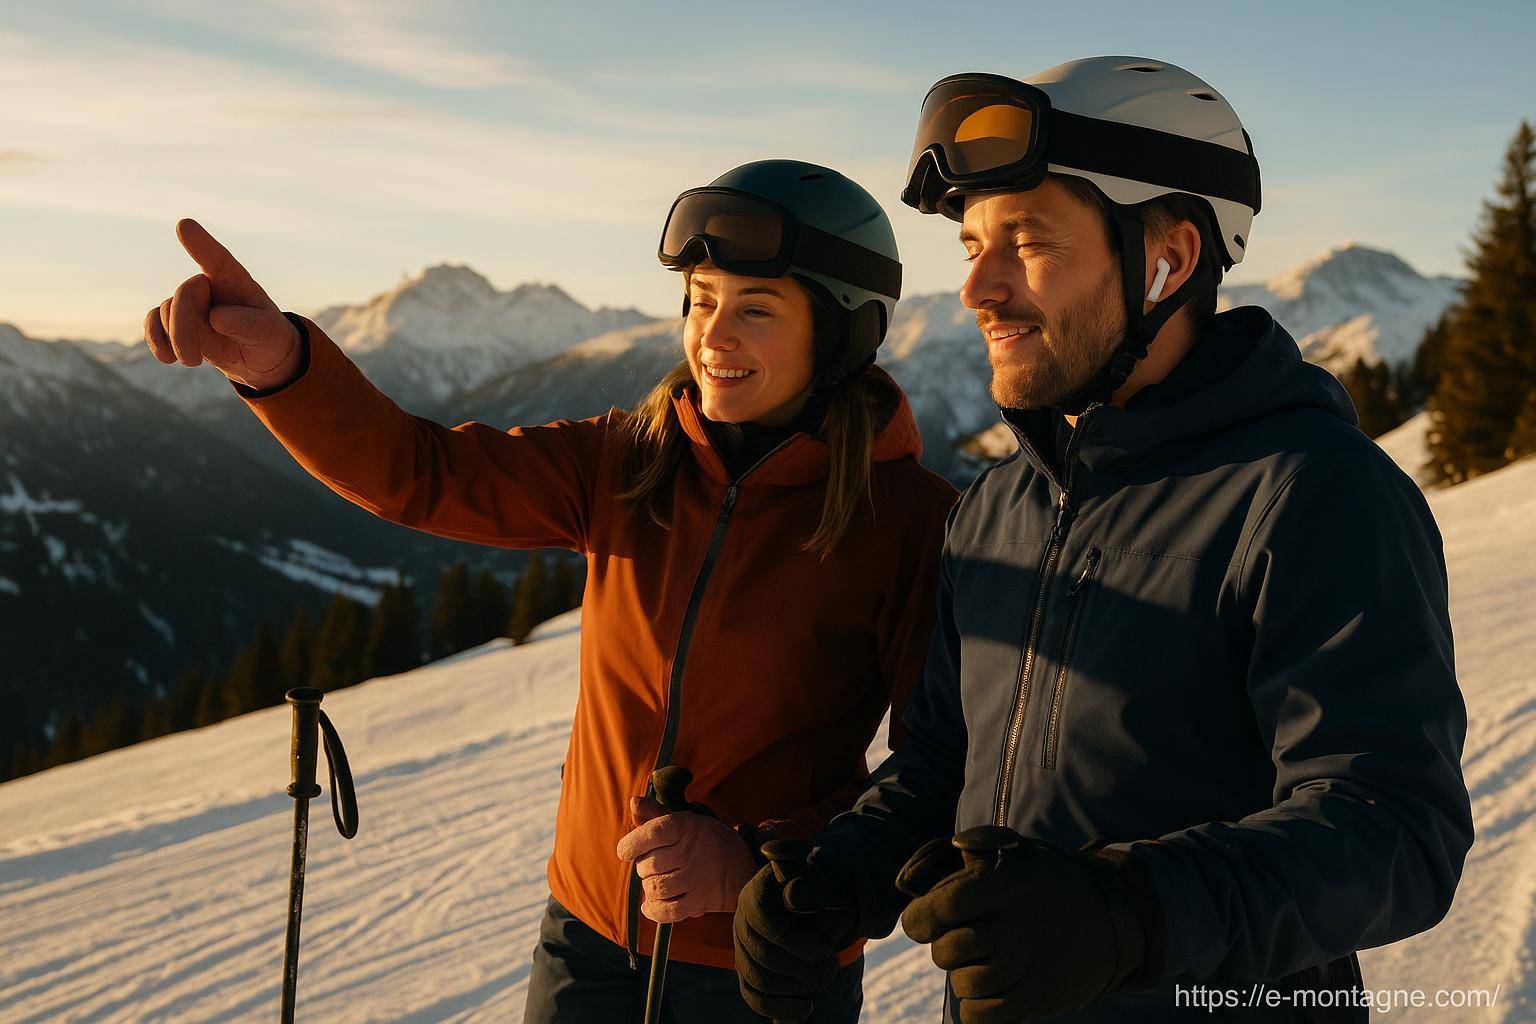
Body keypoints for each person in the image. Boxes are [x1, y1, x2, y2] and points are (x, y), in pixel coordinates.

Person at [733, 56, 1475, 1024]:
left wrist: (1132, 914)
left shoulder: (1311, 494)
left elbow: (1397, 829)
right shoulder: (999, 506)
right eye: (970, 245)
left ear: (1168, 257)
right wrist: (840, 875)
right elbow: (943, 761)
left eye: (1027, 241)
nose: (977, 289)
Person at [142, 158, 959, 1022]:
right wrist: (281, 368)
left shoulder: (910, 524)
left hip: (769, 959)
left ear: (843, 335)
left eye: (756, 309)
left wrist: (760, 863)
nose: (714, 335)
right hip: (586, 936)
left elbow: (937, 769)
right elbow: (424, 473)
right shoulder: (628, 461)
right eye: (703, 299)